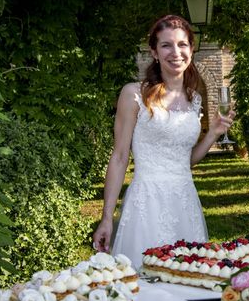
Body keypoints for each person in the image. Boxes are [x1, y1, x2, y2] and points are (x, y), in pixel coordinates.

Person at [93, 14, 235, 266]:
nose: (176, 52)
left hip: (185, 203)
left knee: (188, 279)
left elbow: (185, 160)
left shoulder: (195, 100)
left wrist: (213, 132)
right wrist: (106, 217)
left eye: (182, 44)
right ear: (154, 52)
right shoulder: (133, 94)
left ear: (192, 49)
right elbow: (119, 157)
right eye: (166, 45)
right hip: (146, 205)